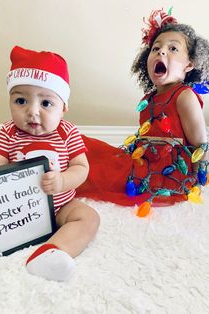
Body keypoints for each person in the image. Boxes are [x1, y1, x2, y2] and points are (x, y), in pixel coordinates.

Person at [0, 46, 100, 284]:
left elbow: (81, 168)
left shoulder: (67, 132)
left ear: (63, 108)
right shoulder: (8, 132)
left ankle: (51, 252)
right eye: (21, 100)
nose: (32, 112)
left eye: (46, 103)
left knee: (89, 218)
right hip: (14, 210)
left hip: (60, 206)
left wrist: (63, 181)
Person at [76, 8, 209, 213]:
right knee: (83, 145)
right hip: (142, 161)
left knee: (99, 169)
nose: (161, 51)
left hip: (167, 174)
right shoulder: (148, 99)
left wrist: (200, 179)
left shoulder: (184, 96)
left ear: (189, 65)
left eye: (173, 49)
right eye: (155, 48)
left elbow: (201, 145)